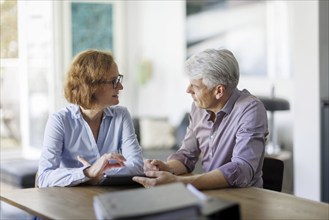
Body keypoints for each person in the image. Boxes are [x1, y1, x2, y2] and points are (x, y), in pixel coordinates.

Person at [133, 48, 268, 190]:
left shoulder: (250, 109)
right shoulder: (198, 108)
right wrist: (166, 167)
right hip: (211, 193)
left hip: (245, 197)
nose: (188, 90)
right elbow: (187, 155)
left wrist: (179, 182)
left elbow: (241, 169)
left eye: (195, 86)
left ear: (219, 91)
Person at [37, 49, 144, 187]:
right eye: (114, 81)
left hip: (108, 198)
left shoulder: (121, 116)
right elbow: (43, 178)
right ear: (91, 85)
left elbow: (137, 167)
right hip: (69, 202)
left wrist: (100, 174)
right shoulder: (59, 121)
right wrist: (87, 172)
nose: (120, 86)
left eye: (119, 79)